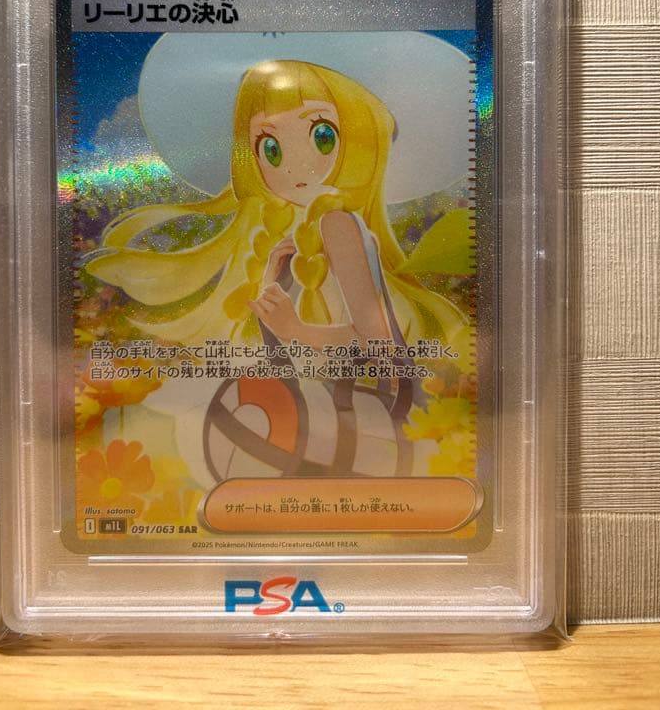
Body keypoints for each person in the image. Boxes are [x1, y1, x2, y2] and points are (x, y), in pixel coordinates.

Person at [85, 59, 471, 487]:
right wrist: (273, 280)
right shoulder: (299, 233)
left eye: (322, 136)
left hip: (357, 414)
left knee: (191, 409)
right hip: (325, 407)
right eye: (271, 147)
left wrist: (296, 329)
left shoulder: (337, 224)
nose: (293, 166)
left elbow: (378, 342)